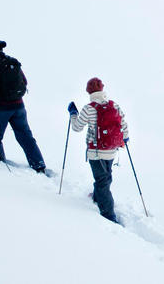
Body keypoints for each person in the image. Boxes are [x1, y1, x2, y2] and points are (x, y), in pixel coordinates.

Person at [0, 39, 47, 173]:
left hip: (1, 108)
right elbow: (24, 81)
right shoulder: (12, 62)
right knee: (26, 136)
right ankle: (39, 165)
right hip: (19, 107)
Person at [69, 77, 129, 224]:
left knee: (102, 180)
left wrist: (73, 114)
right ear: (102, 89)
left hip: (95, 152)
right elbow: (123, 123)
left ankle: (108, 215)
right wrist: (125, 139)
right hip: (112, 148)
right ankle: (97, 196)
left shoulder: (89, 108)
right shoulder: (114, 105)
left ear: (89, 91)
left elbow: (77, 128)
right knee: (105, 176)